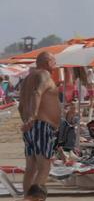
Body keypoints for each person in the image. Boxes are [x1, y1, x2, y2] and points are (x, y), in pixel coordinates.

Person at [18, 52, 61, 193]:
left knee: (31, 168)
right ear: (48, 62)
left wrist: (27, 121)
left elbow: (21, 106)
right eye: (54, 62)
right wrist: (33, 117)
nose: (55, 65)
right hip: (41, 126)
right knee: (44, 166)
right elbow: (37, 93)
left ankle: (26, 200)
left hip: (32, 127)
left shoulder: (27, 79)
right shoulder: (44, 74)